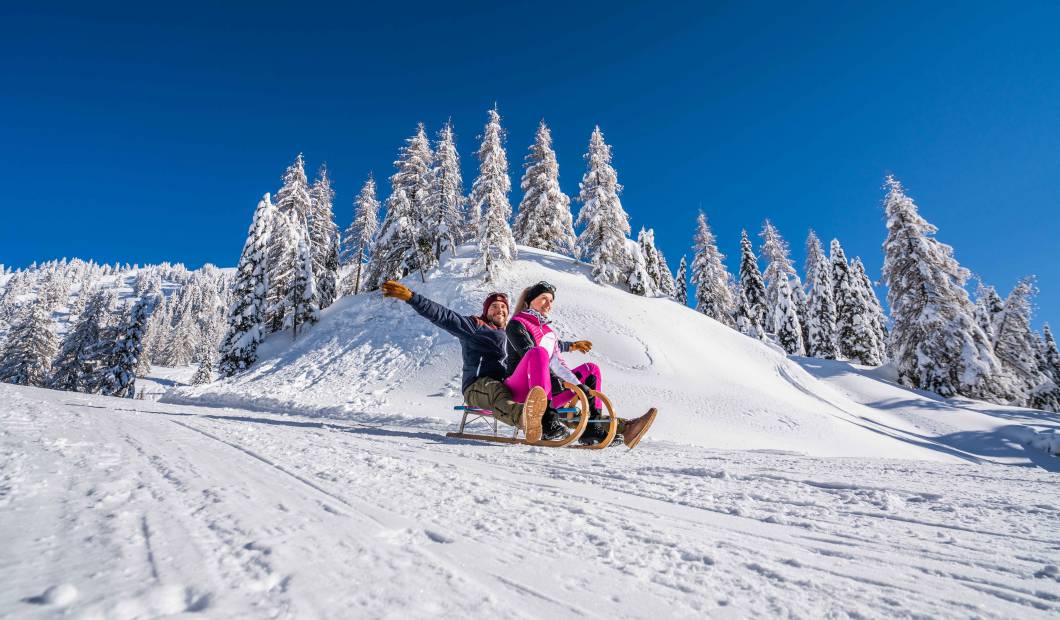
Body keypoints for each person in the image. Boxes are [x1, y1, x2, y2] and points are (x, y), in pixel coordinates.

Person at [379, 280, 560, 442]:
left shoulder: (511, 333)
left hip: (505, 385)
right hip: (477, 386)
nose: (500, 310)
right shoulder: (475, 326)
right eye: (494, 307)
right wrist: (412, 297)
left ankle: (561, 420)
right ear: (486, 311)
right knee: (496, 389)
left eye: (503, 307)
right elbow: (444, 316)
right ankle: (526, 418)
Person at [505, 281, 656, 447]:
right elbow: (530, 355)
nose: (548, 304)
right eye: (543, 298)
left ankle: (592, 428)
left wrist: (577, 385)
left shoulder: (548, 332)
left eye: (551, 300)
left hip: (550, 390)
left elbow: (557, 363)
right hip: (521, 391)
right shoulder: (516, 324)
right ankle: (546, 421)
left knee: (591, 370)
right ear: (529, 302)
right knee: (538, 353)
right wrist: (557, 380)